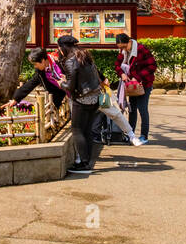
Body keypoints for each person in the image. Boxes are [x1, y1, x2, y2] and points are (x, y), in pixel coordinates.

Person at [57, 35, 102, 174]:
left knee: (76, 130)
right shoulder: (85, 55)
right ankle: (89, 161)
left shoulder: (71, 61)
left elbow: (70, 87)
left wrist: (61, 83)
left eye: (59, 47)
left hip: (82, 99)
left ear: (64, 47)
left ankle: (83, 163)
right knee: (88, 130)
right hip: (95, 96)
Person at [115, 32, 156, 144]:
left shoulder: (141, 49)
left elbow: (152, 66)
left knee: (142, 109)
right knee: (132, 110)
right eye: (120, 48)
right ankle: (131, 134)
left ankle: (144, 136)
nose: (123, 50)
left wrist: (137, 77)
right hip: (131, 86)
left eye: (124, 47)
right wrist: (122, 74)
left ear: (129, 41)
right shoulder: (123, 51)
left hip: (144, 84)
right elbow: (117, 65)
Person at [96, 73, 143, 147]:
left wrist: (104, 79)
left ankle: (132, 136)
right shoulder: (73, 63)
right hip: (82, 98)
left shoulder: (90, 64)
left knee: (116, 113)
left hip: (98, 94)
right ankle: (80, 156)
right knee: (82, 126)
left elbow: (96, 71)